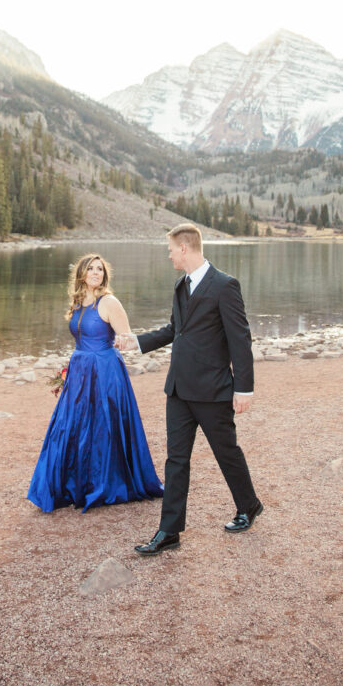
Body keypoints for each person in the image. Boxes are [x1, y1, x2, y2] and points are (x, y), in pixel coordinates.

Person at [117, 223, 262, 555]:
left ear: (185, 248)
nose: (168, 255)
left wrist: (244, 389)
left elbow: (241, 340)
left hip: (214, 391)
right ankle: (169, 530)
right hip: (179, 390)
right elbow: (174, 329)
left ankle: (248, 505)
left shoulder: (225, 286)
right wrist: (136, 342)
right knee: (176, 460)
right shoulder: (180, 285)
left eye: (170, 249)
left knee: (226, 452)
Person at [27, 253, 163, 513]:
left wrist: (122, 342)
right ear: (81, 273)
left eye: (100, 269)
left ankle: (104, 484)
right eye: (91, 269)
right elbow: (80, 340)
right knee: (71, 426)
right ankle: (71, 485)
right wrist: (67, 371)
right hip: (79, 370)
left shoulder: (109, 302)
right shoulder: (79, 301)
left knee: (103, 426)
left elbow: (125, 339)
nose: (96, 273)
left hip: (105, 371)